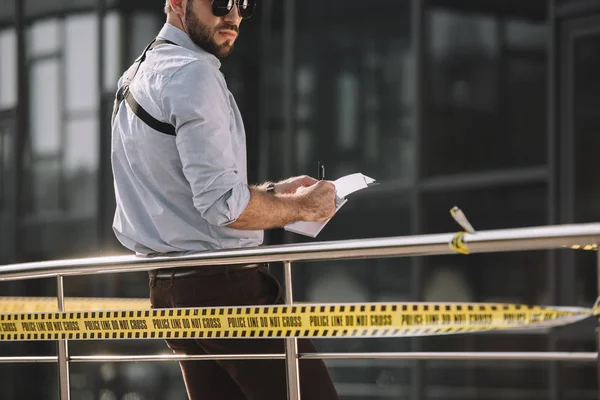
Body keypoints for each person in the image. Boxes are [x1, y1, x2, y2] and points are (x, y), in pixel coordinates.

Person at [110, 0, 340, 399]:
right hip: (225, 290)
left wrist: (275, 194)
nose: (233, 15)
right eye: (220, 3)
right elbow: (222, 207)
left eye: (244, 6)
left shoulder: (135, 75)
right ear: (177, 3)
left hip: (168, 294)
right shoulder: (193, 74)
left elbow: (186, 192)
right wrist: (304, 207)